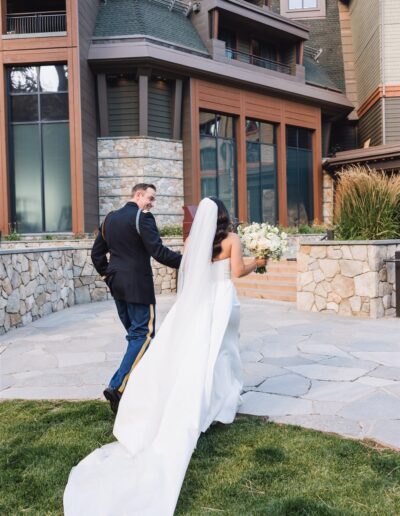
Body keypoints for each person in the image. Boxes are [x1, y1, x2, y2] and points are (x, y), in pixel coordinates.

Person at [64, 197, 266, 516]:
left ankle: (216, 401)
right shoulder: (232, 239)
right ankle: (221, 403)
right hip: (224, 301)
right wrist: (262, 259)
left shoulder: (193, 241)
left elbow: (189, 272)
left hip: (199, 305)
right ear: (226, 216)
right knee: (224, 352)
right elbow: (238, 271)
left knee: (207, 354)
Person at [91, 183, 182, 414]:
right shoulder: (143, 217)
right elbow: (158, 252)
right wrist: (188, 261)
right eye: (150, 198)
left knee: (135, 337)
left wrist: (107, 276)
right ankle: (117, 386)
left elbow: (96, 254)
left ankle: (142, 388)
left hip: (117, 285)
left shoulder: (109, 218)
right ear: (138, 195)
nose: (152, 203)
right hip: (138, 286)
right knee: (143, 336)